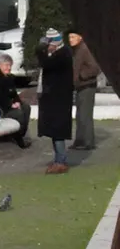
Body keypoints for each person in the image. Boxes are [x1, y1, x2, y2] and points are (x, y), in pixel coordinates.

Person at [36, 28, 74, 174]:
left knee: (57, 131)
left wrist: (41, 51)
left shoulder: (62, 54)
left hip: (59, 99)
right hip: (55, 98)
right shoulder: (59, 53)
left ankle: (61, 161)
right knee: (54, 130)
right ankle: (58, 159)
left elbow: (46, 64)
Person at [0, 53, 32, 148]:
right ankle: (19, 139)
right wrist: (10, 104)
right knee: (18, 113)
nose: (9, 68)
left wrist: (17, 101)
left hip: (5, 104)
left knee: (26, 107)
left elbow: (13, 93)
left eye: (10, 65)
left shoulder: (7, 76)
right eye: (7, 65)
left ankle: (21, 133)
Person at [69, 30, 101, 150]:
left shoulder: (84, 49)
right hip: (81, 86)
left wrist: (82, 76)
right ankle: (80, 140)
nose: (70, 39)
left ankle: (88, 142)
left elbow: (95, 68)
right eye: (69, 37)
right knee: (80, 114)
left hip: (87, 86)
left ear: (80, 37)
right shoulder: (78, 49)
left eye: (73, 36)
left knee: (85, 115)